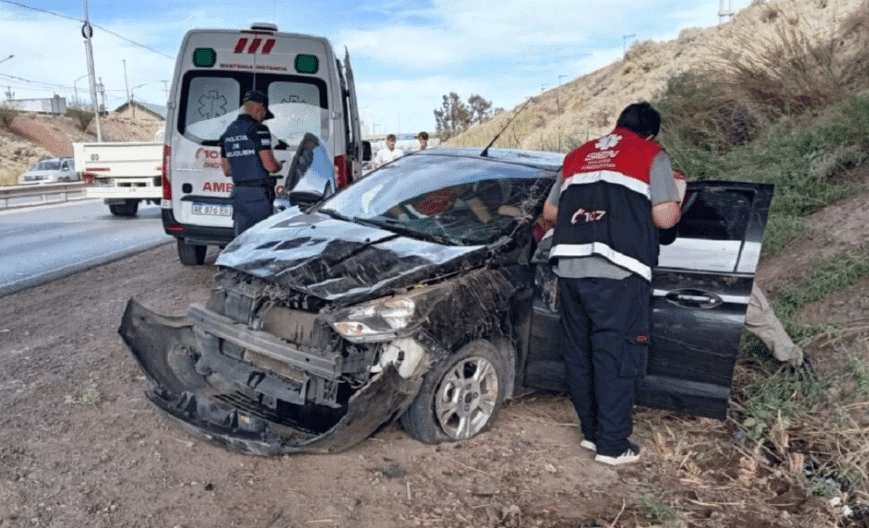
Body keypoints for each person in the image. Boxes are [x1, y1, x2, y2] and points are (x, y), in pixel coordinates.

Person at [543, 102, 683, 466]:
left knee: (580, 353)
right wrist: (672, 196)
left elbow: (551, 214)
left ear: (616, 125)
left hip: (570, 268)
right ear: (650, 133)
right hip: (618, 269)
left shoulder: (578, 155)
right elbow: (665, 218)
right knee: (615, 355)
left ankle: (591, 434)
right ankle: (613, 445)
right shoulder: (651, 154)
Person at [219, 90, 283, 237]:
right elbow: (270, 166)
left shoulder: (228, 132)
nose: (262, 119)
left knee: (241, 239)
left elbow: (227, 170)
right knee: (260, 239)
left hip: (238, 194)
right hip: (258, 196)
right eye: (263, 114)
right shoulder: (259, 129)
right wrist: (280, 165)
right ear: (259, 107)